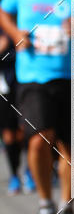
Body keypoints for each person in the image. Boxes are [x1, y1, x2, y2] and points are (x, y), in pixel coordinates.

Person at [0, 0, 74, 214]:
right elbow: (3, 11)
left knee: (72, 148)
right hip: (34, 75)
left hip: (72, 74)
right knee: (37, 138)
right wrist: (16, 34)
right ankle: (45, 203)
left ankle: (67, 207)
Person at [0, 28, 35, 195]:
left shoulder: (22, 25)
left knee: (25, 132)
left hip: (24, 85)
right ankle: (14, 175)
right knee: (9, 134)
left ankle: (30, 171)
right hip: (3, 90)